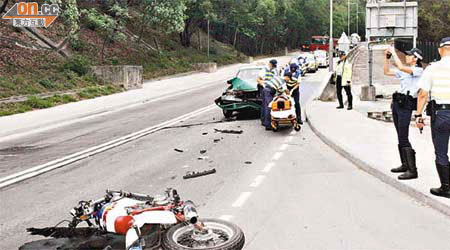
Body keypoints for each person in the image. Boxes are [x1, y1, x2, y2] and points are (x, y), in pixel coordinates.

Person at [415, 37, 450, 198]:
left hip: (441, 114)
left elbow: (423, 94)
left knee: (441, 152)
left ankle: (446, 187)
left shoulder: (432, 68)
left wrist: (418, 115)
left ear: (440, 50)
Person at [384, 46, 424, 180]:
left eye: (409, 55)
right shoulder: (405, 71)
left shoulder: (418, 70)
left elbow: (401, 67)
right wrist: (387, 58)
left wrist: (394, 52)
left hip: (406, 104)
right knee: (399, 135)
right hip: (398, 103)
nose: (406, 56)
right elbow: (386, 71)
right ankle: (404, 164)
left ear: (416, 58)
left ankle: (413, 170)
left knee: (403, 136)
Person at [257, 59, 279, 126]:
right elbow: (258, 79)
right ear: (270, 64)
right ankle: (268, 124)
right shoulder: (264, 70)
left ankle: (263, 121)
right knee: (268, 105)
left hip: (272, 89)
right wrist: (264, 86)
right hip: (266, 89)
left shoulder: (275, 71)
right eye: (272, 65)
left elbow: (277, 79)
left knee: (265, 105)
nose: (273, 67)